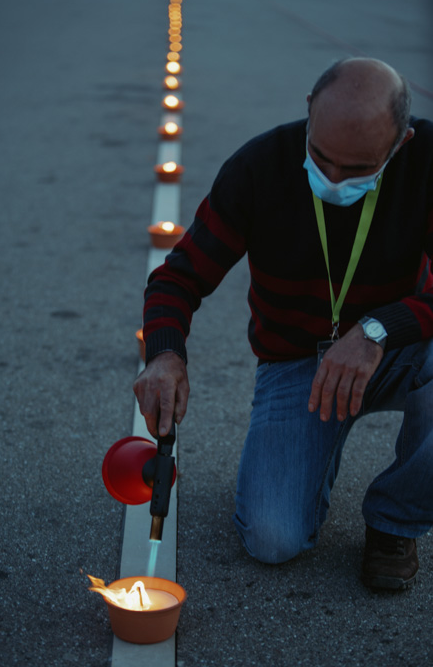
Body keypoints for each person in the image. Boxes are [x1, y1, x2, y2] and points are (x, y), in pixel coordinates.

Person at [133, 57, 433, 591]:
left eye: (358, 169)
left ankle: (396, 519)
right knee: (273, 539)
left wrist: (379, 329)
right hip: (296, 362)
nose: (333, 180)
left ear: (401, 142)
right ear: (310, 110)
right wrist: (164, 354)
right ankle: (306, 461)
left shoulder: (429, 161)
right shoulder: (259, 167)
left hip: (395, 349)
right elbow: (177, 278)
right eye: (322, 157)